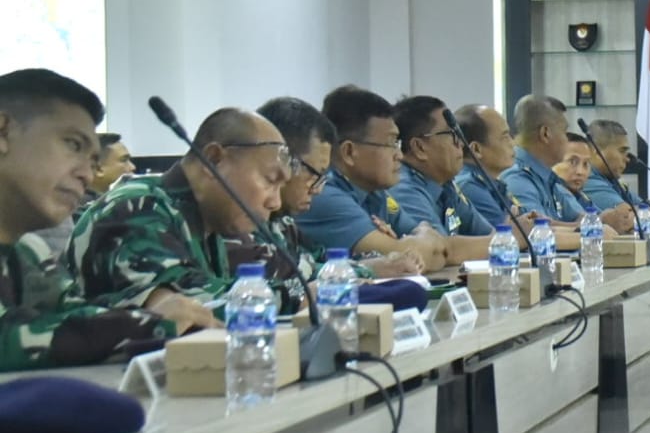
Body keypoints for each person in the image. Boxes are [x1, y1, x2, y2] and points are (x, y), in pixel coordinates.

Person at [1, 70, 180, 370]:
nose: (86, 174)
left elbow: (72, 315)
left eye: (94, 161)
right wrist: (148, 324)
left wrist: (160, 307)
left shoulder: (29, 251)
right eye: (73, 145)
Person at [68, 107, 286, 326]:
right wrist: (292, 296)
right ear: (213, 160)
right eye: (269, 180)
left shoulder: (206, 219)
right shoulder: (139, 206)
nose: (275, 202)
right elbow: (187, 308)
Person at [255, 96, 422, 282]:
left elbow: (317, 260)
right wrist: (367, 269)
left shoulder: (283, 223)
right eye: (314, 174)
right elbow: (286, 284)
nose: (317, 190)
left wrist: (380, 261)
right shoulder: (245, 224)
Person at [293, 86, 449, 271]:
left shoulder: (375, 194)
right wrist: (413, 241)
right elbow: (406, 262)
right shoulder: (324, 194)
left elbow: (440, 251)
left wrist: (417, 239)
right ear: (349, 152)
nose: (399, 155)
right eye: (390, 143)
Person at [389, 95, 533, 264]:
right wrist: (512, 238)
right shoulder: (404, 188)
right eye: (452, 134)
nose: (461, 144)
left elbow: (488, 235)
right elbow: (438, 250)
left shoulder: (446, 185)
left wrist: (507, 237)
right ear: (420, 148)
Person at [501, 95, 599, 247]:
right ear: (545, 133)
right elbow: (538, 234)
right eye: (564, 132)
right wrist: (592, 232)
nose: (566, 140)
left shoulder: (547, 177)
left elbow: (582, 218)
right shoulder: (517, 178)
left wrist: (588, 225)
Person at [453, 103, 527, 227]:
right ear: (476, 149)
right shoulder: (469, 187)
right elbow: (508, 234)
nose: (512, 143)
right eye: (505, 137)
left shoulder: (493, 183)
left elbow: (529, 224)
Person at [582, 119, 647, 214]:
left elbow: (648, 210)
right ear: (597, 152)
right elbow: (626, 215)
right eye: (622, 151)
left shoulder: (612, 180)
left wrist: (646, 210)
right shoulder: (587, 180)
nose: (627, 159)